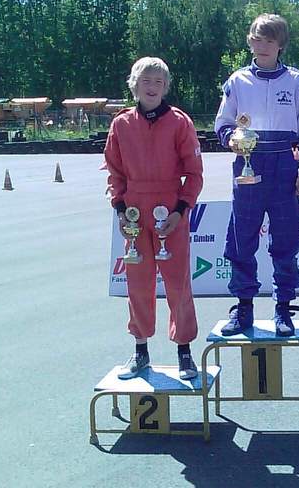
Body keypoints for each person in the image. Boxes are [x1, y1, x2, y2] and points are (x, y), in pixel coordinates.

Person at [214, 13, 299, 336]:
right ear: (249, 40)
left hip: (284, 167)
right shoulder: (237, 81)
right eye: (257, 39)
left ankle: (283, 307)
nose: (262, 46)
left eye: (269, 41)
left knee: (285, 238)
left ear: (280, 45)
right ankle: (243, 306)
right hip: (248, 164)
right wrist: (231, 137)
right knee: (241, 236)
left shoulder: (298, 83)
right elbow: (222, 122)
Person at [104, 56, 204, 380]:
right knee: (138, 284)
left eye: (159, 82)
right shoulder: (120, 124)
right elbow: (114, 171)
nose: (152, 87)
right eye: (146, 80)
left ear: (166, 87)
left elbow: (194, 173)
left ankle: (184, 352)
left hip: (169, 211)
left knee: (177, 283)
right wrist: (120, 208)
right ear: (134, 84)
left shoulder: (179, 122)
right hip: (134, 212)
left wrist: (180, 210)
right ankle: (140, 350)